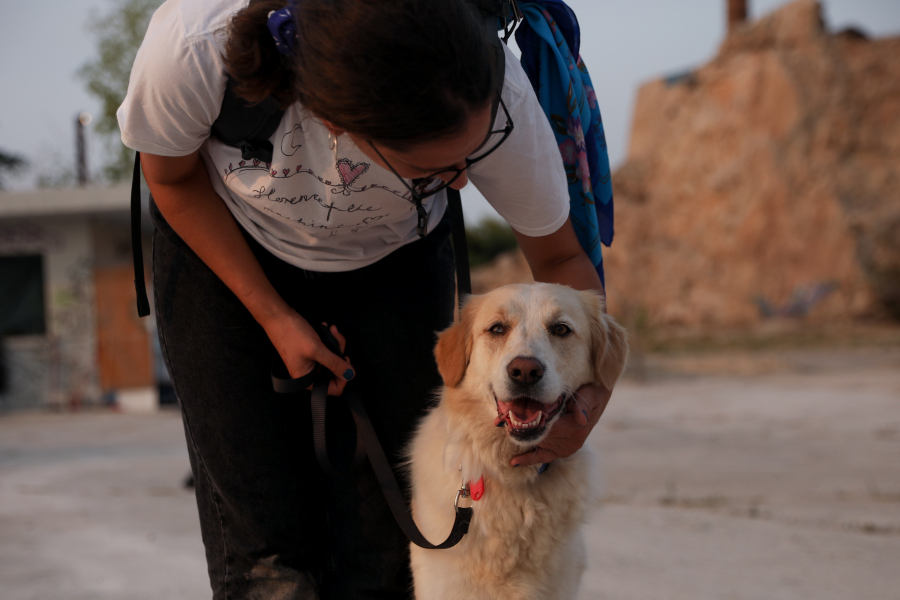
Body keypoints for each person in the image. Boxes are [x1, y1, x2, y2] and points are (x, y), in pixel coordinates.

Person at [117, 0, 615, 597]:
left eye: (473, 152)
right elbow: (170, 179)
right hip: (222, 248)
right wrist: (275, 318)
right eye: (432, 170)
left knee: (385, 540)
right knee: (264, 549)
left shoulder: (496, 91)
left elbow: (561, 262)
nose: (463, 179)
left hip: (395, 263)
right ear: (336, 126)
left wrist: (587, 402)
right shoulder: (193, 48)